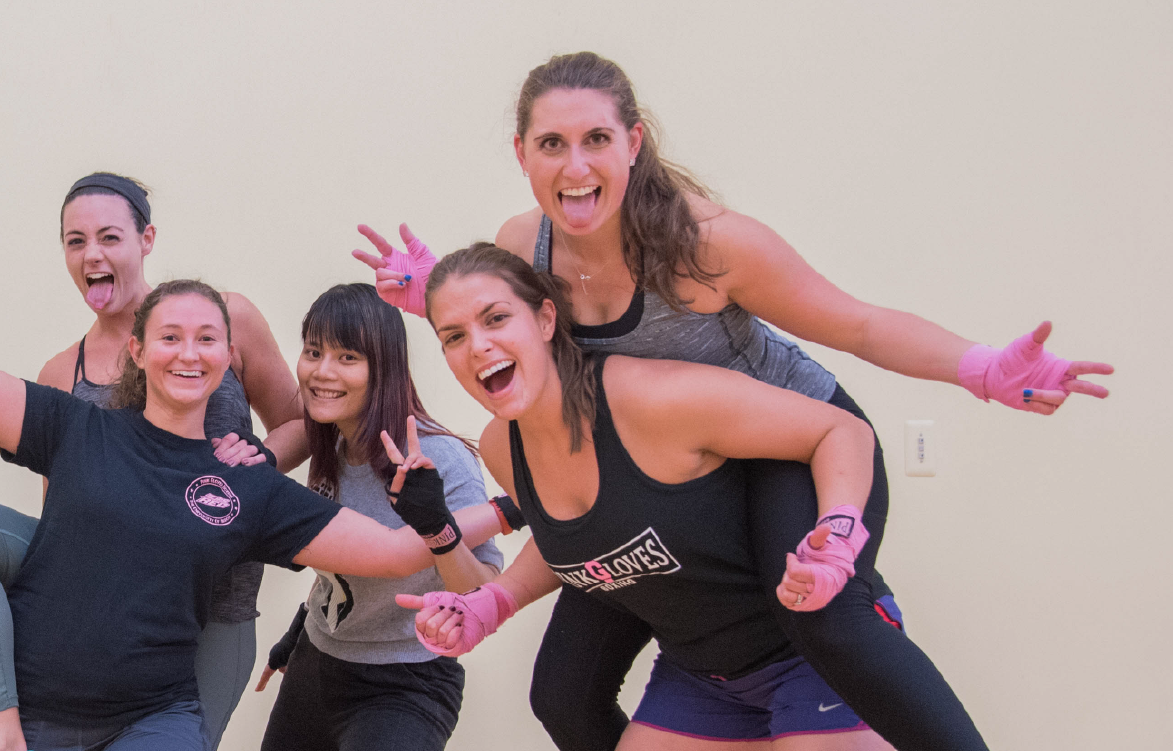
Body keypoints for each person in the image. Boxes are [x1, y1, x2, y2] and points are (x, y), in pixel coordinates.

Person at [355, 52, 1114, 751]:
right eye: (551, 143)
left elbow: (856, 323)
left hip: (793, 442)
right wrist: (440, 303)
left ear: (633, 143)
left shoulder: (704, 246)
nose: (575, 164)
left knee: (823, 621)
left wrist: (980, 368)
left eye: (595, 139)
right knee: (560, 690)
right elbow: (516, 323)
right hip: (660, 460)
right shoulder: (525, 246)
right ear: (521, 153)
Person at [0, 129, 494, 751]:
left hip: (195, 636)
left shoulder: (246, 478)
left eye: (205, 339)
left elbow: (377, 532)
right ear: (137, 352)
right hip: (87, 641)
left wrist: (503, 508)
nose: (188, 352)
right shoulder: (73, 415)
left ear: (227, 349)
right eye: (76, 239)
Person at [401, 243, 898, 750]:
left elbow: (842, 431)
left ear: (546, 319)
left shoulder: (648, 398)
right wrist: (492, 604)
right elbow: (582, 541)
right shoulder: (500, 446)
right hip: (702, 679)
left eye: (497, 319)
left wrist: (838, 537)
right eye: (454, 337)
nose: (478, 346)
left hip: (809, 657)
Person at [0, 166, 307, 750]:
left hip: (215, 609)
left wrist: (258, 465)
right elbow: (61, 525)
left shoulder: (228, 320)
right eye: (76, 241)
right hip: (106, 626)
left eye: (110, 237)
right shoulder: (60, 375)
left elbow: (300, 424)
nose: (92, 253)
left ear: (146, 241)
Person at [249, 284, 504, 751]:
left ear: (383, 369)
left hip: (404, 684)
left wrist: (436, 527)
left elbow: (482, 591)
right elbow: (342, 557)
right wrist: (300, 628)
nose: (322, 372)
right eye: (313, 351)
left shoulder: (438, 458)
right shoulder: (334, 447)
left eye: (347, 357)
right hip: (319, 662)